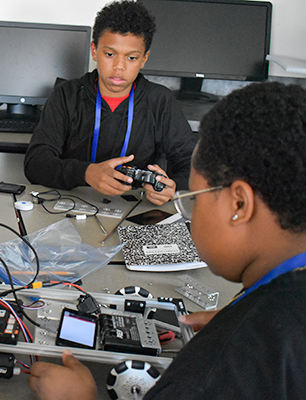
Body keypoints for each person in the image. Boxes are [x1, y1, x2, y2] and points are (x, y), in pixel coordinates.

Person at [28, 81, 306, 399]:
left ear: (239, 205)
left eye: (194, 200)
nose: (189, 213)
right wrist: (244, 318)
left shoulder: (205, 378)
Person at [24, 0, 196, 206]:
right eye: (109, 54)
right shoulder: (67, 95)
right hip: (70, 204)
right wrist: (86, 173)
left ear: (144, 59)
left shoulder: (160, 101)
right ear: (94, 51)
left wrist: (173, 185)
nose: (119, 66)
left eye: (131, 57)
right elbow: (35, 163)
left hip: (133, 209)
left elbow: (193, 165)